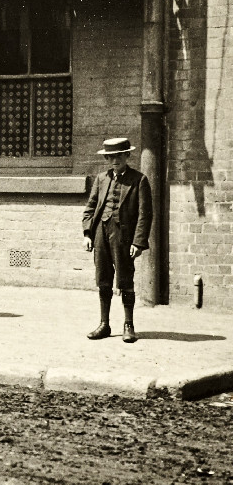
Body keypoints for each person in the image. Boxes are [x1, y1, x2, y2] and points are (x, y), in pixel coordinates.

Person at [81, 136, 152, 343]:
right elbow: (90, 207)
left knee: (125, 279)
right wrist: (87, 234)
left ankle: (128, 325)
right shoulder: (101, 179)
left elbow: (144, 214)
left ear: (127, 155)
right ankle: (104, 324)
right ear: (106, 159)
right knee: (103, 278)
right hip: (101, 233)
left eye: (119, 156)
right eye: (110, 157)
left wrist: (138, 242)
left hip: (123, 236)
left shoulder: (139, 180)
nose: (115, 161)